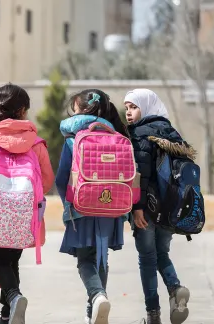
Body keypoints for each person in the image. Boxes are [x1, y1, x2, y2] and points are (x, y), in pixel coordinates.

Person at [0, 83, 54, 324]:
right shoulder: (36, 143)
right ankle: (7, 316)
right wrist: (22, 199)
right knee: (11, 261)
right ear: (23, 110)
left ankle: (14, 298)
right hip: (24, 213)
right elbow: (46, 180)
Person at [55, 89, 128, 324]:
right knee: (101, 258)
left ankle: (97, 296)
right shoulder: (117, 135)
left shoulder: (73, 139)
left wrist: (68, 203)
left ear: (82, 111)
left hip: (82, 205)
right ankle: (92, 312)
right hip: (113, 207)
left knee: (85, 259)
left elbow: (61, 178)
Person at [124, 89, 191, 324]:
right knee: (162, 253)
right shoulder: (171, 131)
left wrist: (137, 207)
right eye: (126, 108)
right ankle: (174, 288)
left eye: (133, 107)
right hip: (172, 207)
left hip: (148, 208)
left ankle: (153, 314)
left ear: (146, 106)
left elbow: (139, 175)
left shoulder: (140, 134)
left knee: (147, 258)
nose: (129, 113)